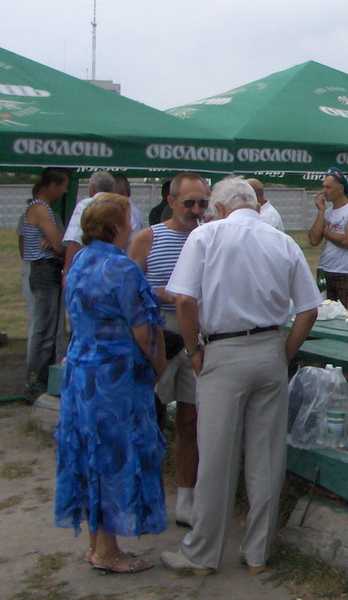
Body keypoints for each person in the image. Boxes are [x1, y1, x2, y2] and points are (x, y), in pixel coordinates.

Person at [161, 176, 321, 576]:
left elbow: (184, 300)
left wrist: (193, 351)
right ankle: (257, 553)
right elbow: (308, 309)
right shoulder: (283, 242)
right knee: (266, 458)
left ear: (220, 207)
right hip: (269, 348)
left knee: (216, 456)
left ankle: (203, 553)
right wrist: (284, 352)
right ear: (254, 203)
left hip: (223, 350)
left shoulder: (206, 236)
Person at [55, 194, 167, 574]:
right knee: (113, 457)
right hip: (115, 378)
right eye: (128, 221)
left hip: (81, 373)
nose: (132, 227)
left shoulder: (80, 261)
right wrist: (158, 366)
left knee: (89, 452)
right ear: (117, 227)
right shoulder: (122, 268)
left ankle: (96, 545)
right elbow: (144, 330)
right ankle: (108, 552)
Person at [129, 172, 210, 528]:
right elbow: (129, 288)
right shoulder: (148, 237)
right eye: (189, 203)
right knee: (150, 419)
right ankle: (143, 495)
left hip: (198, 336)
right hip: (159, 333)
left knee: (191, 420)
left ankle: (187, 499)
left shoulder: (209, 236)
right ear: (171, 201)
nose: (196, 210)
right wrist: (163, 292)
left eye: (202, 203)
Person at [23, 168, 69, 400]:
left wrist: (55, 240)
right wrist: (56, 241)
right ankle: (34, 383)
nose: (64, 192)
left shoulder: (42, 209)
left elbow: (56, 241)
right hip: (44, 271)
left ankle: (45, 380)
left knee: (49, 331)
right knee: (44, 332)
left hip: (46, 271)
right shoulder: (40, 208)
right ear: (52, 186)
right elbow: (60, 244)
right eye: (63, 187)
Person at [17, 190, 65, 364]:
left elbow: (60, 243)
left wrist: (54, 242)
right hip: (38, 269)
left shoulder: (54, 216)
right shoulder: (29, 216)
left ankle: (52, 365)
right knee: (40, 325)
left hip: (52, 269)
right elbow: (24, 248)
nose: (63, 192)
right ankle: (36, 371)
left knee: (54, 326)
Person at [62, 170, 116, 279]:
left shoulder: (86, 205)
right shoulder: (122, 207)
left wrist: (67, 273)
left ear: (93, 189)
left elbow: (74, 239)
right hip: (113, 269)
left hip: (87, 271)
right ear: (113, 189)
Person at [308, 167, 348, 307]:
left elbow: (346, 241)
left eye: (328, 187)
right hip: (325, 270)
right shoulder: (327, 212)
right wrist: (321, 212)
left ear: (341, 188)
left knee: (344, 313)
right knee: (325, 311)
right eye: (323, 187)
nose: (324, 191)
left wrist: (326, 233)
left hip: (343, 272)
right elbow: (313, 240)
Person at [113, 173, 145, 246]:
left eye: (112, 194)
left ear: (123, 194)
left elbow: (133, 244)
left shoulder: (131, 214)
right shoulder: (130, 210)